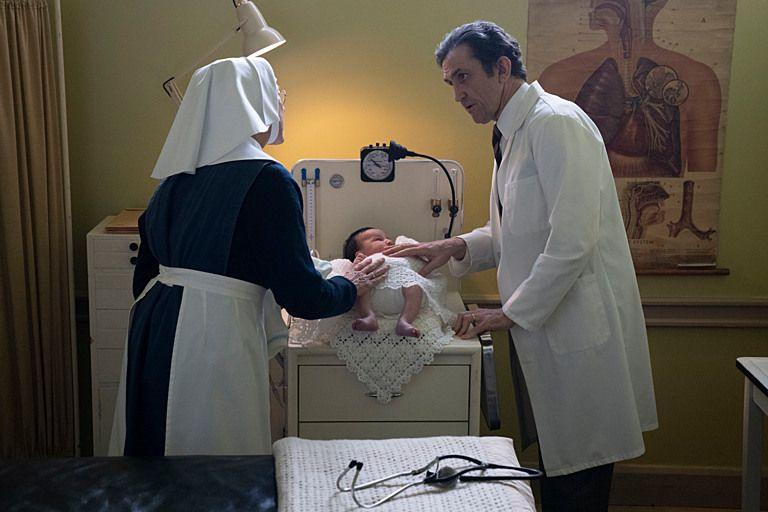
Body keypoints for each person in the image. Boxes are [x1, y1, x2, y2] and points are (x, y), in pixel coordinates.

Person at [384, 21, 657, 511]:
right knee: (557, 468)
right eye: (451, 83)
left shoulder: (555, 124)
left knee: (578, 480)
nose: (457, 94)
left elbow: (572, 241)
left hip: (572, 329)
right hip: (543, 329)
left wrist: (508, 313)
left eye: (463, 77)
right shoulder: (510, 133)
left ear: (502, 67)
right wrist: (453, 246)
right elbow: (516, 231)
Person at [108, 55, 387, 457]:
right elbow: (303, 298)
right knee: (214, 464)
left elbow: (146, 275)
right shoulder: (269, 179)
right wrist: (351, 285)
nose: (283, 103)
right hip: (212, 336)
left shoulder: (172, 181)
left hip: (152, 327)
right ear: (255, 101)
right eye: (280, 93)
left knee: (155, 458)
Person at [342, 227, 428, 337]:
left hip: (402, 289)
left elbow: (419, 262)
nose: (389, 241)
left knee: (415, 285)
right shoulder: (364, 261)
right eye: (379, 239)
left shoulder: (399, 256)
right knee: (362, 285)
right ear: (358, 253)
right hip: (373, 292)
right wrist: (356, 265)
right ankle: (368, 316)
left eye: (387, 238)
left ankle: (405, 321)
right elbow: (351, 277)